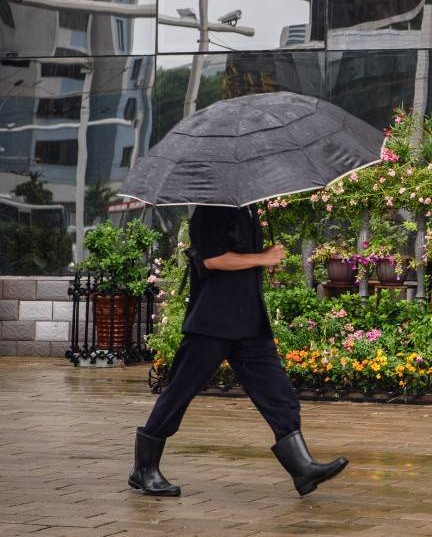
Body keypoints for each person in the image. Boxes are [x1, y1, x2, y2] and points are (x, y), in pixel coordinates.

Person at [129, 204, 348, 497]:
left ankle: (302, 468)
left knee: (279, 394)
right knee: (178, 392)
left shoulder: (247, 208)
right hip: (213, 322)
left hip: (249, 322)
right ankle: (144, 469)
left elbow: (239, 254)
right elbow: (212, 259)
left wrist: (262, 257)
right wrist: (262, 257)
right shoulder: (211, 208)